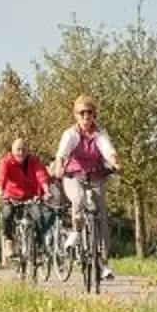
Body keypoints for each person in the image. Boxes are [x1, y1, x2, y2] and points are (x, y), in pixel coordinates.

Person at [53, 94, 120, 280]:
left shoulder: (99, 133)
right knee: (79, 199)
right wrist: (59, 165)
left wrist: (114, 162)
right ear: (75, 115)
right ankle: (76, 231)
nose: (86, 117)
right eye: (81, 113)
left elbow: (107, 149)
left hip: (95, 175)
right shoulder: (71, 134)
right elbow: (62, 153)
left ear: (94, 114)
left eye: (89, 113)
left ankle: (103, 263)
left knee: (101, 215)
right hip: (73, 176)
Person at [0, 135, 52, 265]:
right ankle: (9, 241)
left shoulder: (33, 161)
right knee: (7, 214)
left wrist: (46, 190)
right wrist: (0, 191)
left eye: (24, 149)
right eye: (18, 149)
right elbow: (1, 177)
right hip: (11, 196)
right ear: (12, 150)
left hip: (30, 196)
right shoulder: (6, 162)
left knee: (39, 217)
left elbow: (41, 175)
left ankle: (39, 247)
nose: (21, 152)